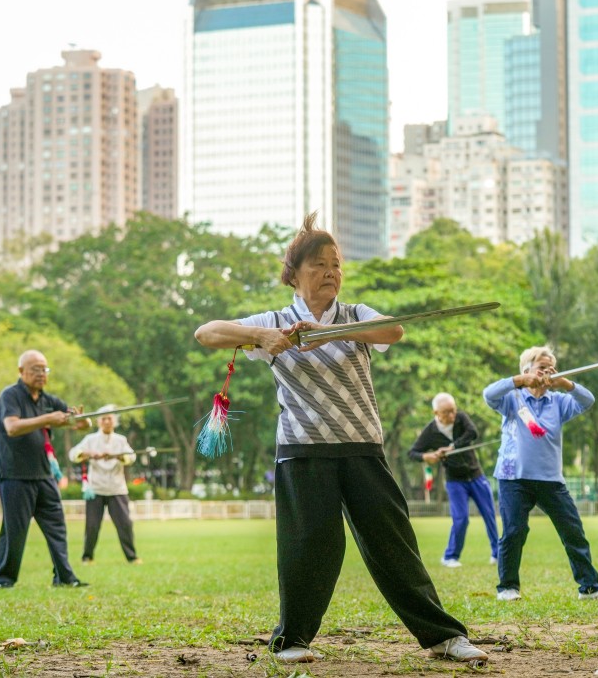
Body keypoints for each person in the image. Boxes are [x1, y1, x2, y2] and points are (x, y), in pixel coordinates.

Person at [194, 213, 487, 665]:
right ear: (293, 275)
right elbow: (206, 333)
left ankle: (444, 637)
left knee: (393, 545)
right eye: (319, 265)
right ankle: (291, 640)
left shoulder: (356, 315)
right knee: (309, 547)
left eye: (336, 264)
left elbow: (393, 330)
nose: (331, 273)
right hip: (302, 452)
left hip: (362, 449)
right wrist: (264, 336)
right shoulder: (273, 322)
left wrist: (330, 332)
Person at [483, 345, 598, 603]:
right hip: (514, 478)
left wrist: (565, 383)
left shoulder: (559, 402)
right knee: (514, 531)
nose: (547, 373)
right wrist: (519, 381)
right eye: (541, 368)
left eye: (551, 368)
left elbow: (587, 401)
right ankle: (507, 588)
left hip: (550, 480)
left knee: (573, 531)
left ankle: (590, 588)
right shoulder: (512, 399)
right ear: (526, 371)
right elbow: (488, 394)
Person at [0, 350, 91, 589]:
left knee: (57, 526)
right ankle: (3, 579)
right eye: (35, 369)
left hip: (44, 474)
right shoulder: (10, 396)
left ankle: (65, 577)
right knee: (15, 530)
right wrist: (47, 420)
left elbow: (78, 424)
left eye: (44, 369)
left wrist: (82, 420)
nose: (41, 374)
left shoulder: (49, 401)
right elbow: (12, 427)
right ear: (21, 371)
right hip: (15, 474)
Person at [408, 392, 499, 568]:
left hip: (476, 475)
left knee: (490, 515)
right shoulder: (430, 432)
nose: (452, 415)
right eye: (446, 412)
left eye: (453, 411)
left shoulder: (461, 418)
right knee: (461, 519)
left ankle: (497, 554)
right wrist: (429, 456)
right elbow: (412, 453)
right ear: (436, 413)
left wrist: (453, 447)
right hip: (455, 481)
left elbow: (473, 433)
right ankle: (450, 557)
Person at [68, 405, 141, 565]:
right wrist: (89, 454)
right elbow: (73, 454)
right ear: (98, 421)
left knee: (125, 524)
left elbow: (132, 457)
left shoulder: (121, 440)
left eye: (110, 418)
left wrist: (119, 457)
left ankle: (132, 557)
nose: (107, 422)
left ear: (114, 421)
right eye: (103, 419)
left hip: (117, 488)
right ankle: (87, 557)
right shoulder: (90, 440)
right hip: (96, 489)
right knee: (92, 526)